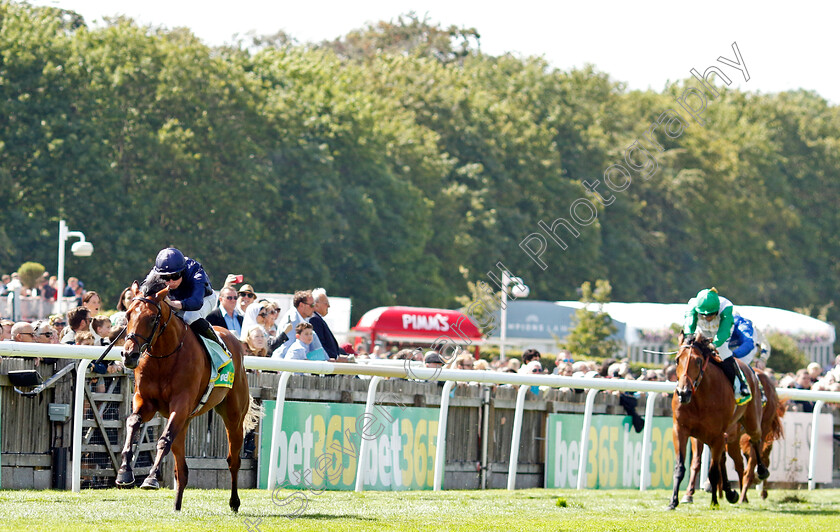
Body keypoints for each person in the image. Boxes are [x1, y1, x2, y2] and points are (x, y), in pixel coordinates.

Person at [142, 247, 225, 353]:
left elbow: (196, 302)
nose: (171, 281)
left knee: (189, 317)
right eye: (166, 278)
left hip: (204, 299)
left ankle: (220, 348)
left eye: (175, 276)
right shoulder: (156, 272)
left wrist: (172, 303)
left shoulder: (196, 271)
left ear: (183, 270)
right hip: (175, 299)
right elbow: (143, 290)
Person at [684, 287, 751, 405]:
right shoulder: (692, 304)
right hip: (702, 330)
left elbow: (724, 331)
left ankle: (741, 384)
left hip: (720, 331)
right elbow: (689, 323)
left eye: (710, 314)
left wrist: (714, 344)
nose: (707, 318)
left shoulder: (726, 306)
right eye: (703, 314)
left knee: (722, 351)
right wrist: (689, 336)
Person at [272, 290, 324, 358]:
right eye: (312, 305)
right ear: (301, 305)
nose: (314, 308)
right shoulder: (293, 321)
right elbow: (288, 351)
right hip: (284, 365)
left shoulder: (303, 318)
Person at [310, 288, 347, 360]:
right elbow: (320, 345)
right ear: (316, 305)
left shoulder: (317, 319)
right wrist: (336, 358)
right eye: (326, 303)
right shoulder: (314, 319)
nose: (329, 306)